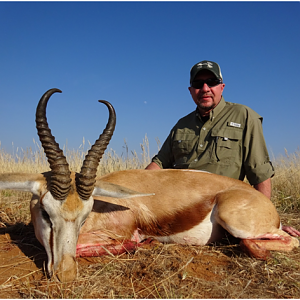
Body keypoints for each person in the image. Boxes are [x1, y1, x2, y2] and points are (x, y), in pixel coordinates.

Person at [146, 60, 300, 237]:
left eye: (211, 82)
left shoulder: (244, 116)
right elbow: (159, 163)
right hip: (178, 210)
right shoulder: (181, 125)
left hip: (217, 210)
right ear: (191, 91)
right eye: (198, 84)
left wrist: (267, 222)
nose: (205, 88)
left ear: (222, 87)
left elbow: (260, 173)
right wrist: (136, 189)